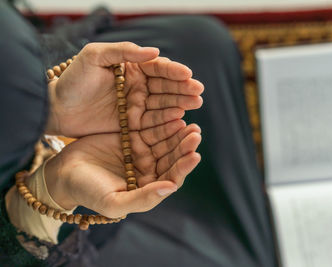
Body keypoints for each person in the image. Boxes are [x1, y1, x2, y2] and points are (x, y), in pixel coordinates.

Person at [2, 2, 278, 266]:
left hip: (30, 78)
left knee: (201, 44)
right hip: (27, 212)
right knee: (230, 259)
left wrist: (56, 100)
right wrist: (54, 189)